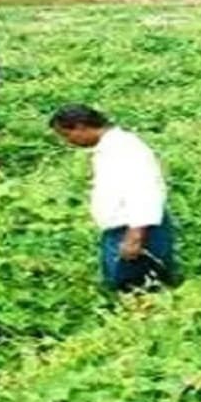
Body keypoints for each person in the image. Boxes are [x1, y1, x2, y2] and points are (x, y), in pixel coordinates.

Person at [49, 105, 180, 293]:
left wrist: (135, 236)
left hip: (136, 230)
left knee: (143, 290)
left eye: (66, 135)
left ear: (80, 127)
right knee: (126, 288)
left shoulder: (125, 149)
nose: (68, 142)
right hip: (122, 230)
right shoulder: (109, 148)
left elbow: (144, 191)